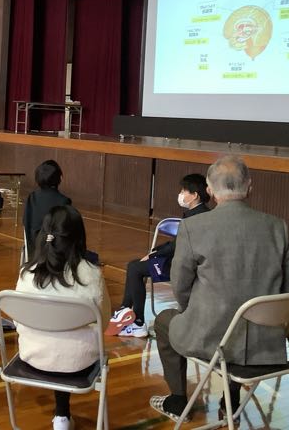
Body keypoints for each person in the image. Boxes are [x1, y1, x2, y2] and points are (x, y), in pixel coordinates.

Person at [148, 156, 289, 423]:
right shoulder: (278, 227)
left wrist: (192, 312)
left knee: (163, 321)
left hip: (213, 337)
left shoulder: (193, 227)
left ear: (209, 189)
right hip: (266, 344)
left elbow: (180, 287)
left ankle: (178, 401)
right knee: (238, 325)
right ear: (249, 186)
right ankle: (231, 401)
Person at [15, 205, 110, 430]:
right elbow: (104, 321)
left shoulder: (26, 274)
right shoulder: (91, 275)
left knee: (56, 342)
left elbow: (18, 320)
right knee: (68, 344)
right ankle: (62, 417)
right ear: (79, 237)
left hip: (33, 356)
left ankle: (61, 416)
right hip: (79, 362)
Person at [106, 174, 211, 338]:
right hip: (180, 259)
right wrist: (155, 252)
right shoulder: (200, 213)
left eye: (184, 191)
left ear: (194, 195)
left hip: (182, 266)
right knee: (134, 265)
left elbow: (178, 246)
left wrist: (153, 254)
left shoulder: (196, 218)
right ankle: (124, 310)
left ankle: (137, 321)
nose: (181, 194)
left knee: (135, 268)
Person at [23, 160, 71, 259]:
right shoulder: (63, 201)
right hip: (54, 255)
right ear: (60, 178)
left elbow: (25, 222)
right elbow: (65, 233)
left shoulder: (32, 197)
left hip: (32, 250)